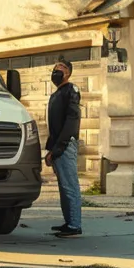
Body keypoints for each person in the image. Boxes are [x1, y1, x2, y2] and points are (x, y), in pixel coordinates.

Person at [46, 59, 83, 238]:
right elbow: (53, 126)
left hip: (66, 144)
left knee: (70, 186)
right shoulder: (56, 94)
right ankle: (69, 222)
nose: (56, 71)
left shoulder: (71, 91)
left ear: (68, 73)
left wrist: (59, 147)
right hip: (57, 146)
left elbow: (71, 122)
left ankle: (75, 225)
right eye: (55, 68)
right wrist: (50, 150)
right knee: (63, 187)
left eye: (61, 68)